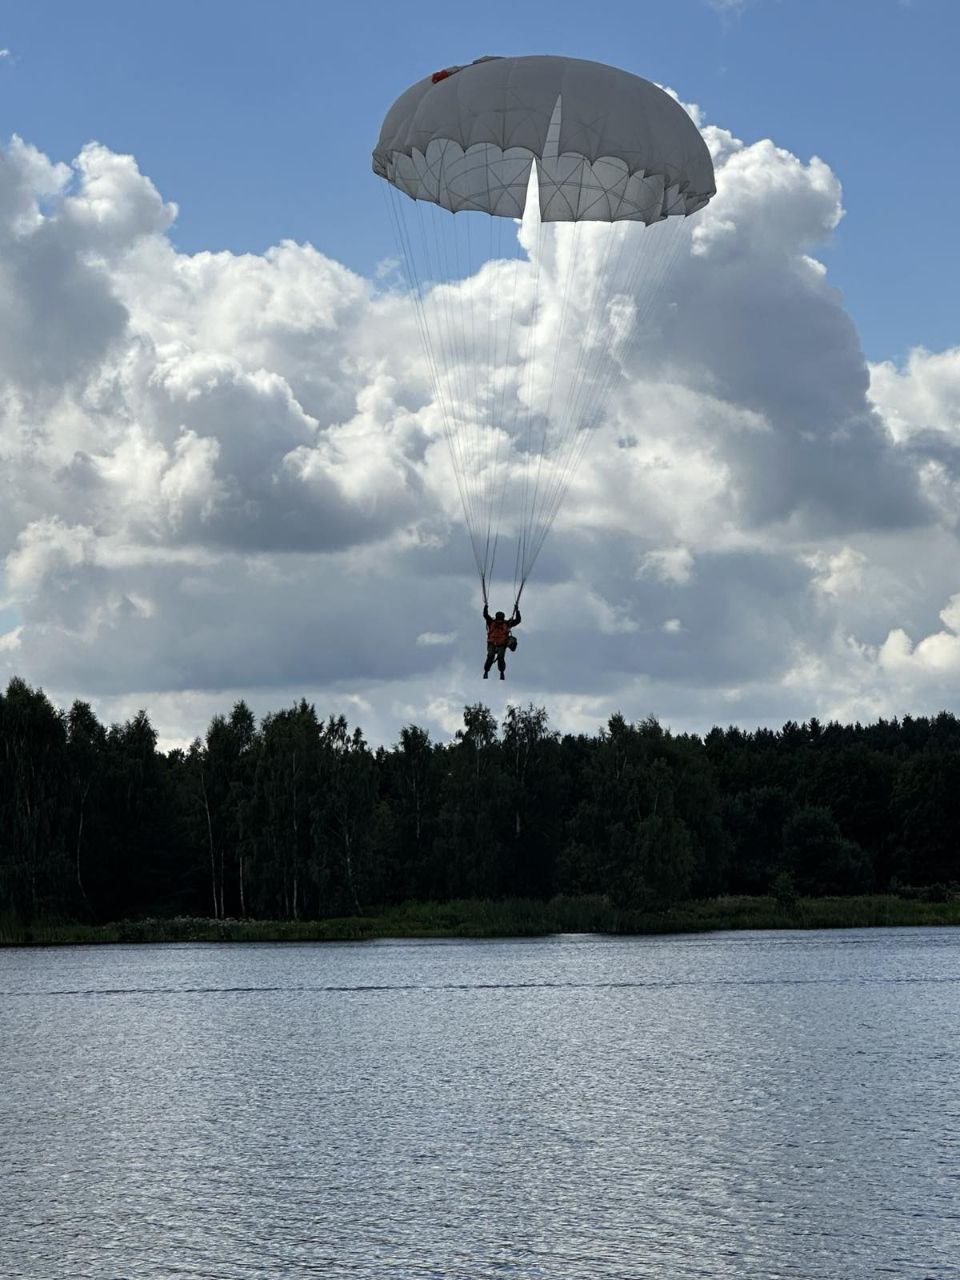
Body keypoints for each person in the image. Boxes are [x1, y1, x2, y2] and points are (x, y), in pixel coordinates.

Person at [483, 603, 521, 679]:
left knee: (499, 657)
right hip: (493, 643)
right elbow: (486, 615)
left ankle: (500, 671)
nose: (499, 620)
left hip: (501, 644)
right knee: (491, 656)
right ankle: (487, 671)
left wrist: (517, 611)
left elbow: (517, 620)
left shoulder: (506, 623)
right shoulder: (492, 622)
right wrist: (485, 607)